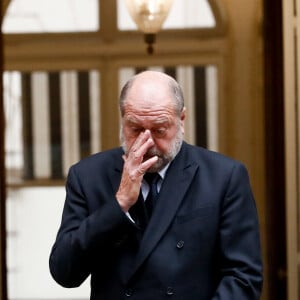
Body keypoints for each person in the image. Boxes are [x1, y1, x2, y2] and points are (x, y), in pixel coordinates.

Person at [49, 70, 263, 299]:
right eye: (136, 129)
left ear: (181, 120)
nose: (147, 141)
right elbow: (65, 272)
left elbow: (243, 277)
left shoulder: (224, 177)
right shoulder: (87, 176)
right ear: (123, 121)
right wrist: (118, 204)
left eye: (160, 129)